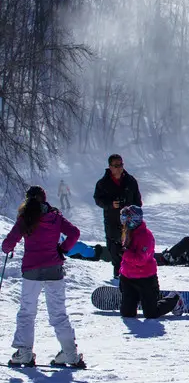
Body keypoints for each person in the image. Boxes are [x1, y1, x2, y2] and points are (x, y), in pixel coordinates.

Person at [2, 187, 85, 368]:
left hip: (31, 270)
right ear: (45, 199)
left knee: (27, 312)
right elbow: (74, 233)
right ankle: (70, 354)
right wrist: (62, 249)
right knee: (58, 313)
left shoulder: (26, 218)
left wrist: (8, 248)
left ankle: (24, 352)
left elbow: (8, 243)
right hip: (54, 269)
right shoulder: (55, 217)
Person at [117, 205, 185, 319]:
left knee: (151, 314)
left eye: (126, 218)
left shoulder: (146, 236)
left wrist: (124, 253)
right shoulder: (127, 232)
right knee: (127, 314)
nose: (124, 221)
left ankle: (174, 299)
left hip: (145, 278)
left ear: (134, 219)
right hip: (128, 278)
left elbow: (141, 260)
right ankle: (136, 300)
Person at [93, 153, 143, 281]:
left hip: (130, 222)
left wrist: (133, 209)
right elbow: (98, 200)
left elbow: (138, 200)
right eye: (116, 165)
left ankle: (132, 275)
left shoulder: (130, 181)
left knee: (131, 247)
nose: (119, 168)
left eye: (121, 164)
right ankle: (118, 275)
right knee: (115, 248)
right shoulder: (103, 183)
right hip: (112, 221)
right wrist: (111, 204)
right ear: (110, 167)